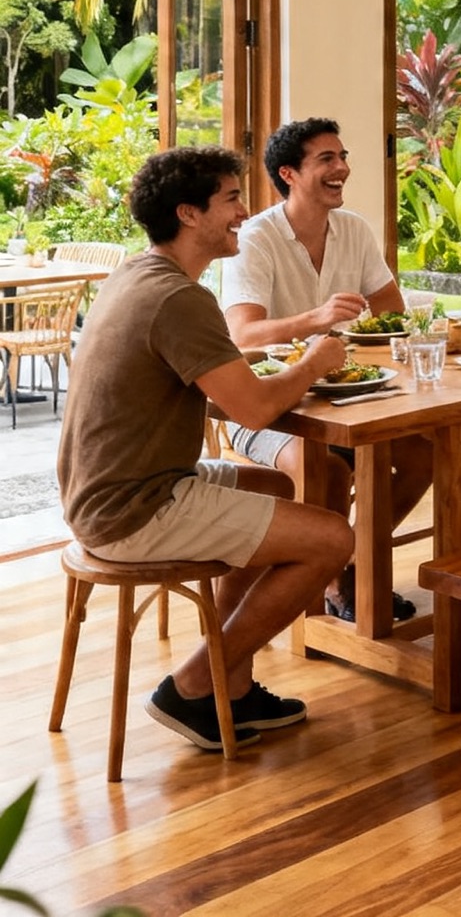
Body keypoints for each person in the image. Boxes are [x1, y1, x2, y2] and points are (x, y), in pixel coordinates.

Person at [57, 146, 353, 753]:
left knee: (275, 486)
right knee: (333, 539)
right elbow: (253, 410)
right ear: (189, 214)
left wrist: (280, 365)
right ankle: (195, 683)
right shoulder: (180, 299)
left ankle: (230, 680)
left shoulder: (141, 274)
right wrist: (315, 359)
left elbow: (221, 381)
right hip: (136, 508)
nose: (245, 211)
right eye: (231, 199)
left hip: (108, 492)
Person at [220, 117, 431, 623]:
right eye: (327, 160)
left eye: (343, 157)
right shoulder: (255, 239)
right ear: (289, 173)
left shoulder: (353, 229)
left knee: (426, 455)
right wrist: (314, 320)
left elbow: (390, 312)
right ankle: (334, 587)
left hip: (346, 395)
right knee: (326, 470)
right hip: (265, 407)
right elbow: (243, 336)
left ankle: (352, 560)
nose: (342, 169)